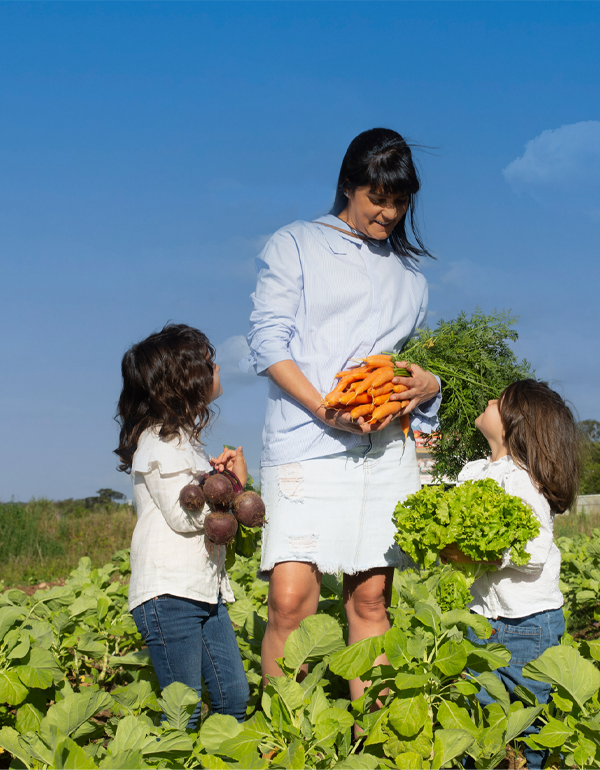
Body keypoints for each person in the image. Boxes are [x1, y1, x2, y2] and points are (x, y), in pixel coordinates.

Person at [243, 127, 442, 697]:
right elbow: (268, 342)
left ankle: (377, 737)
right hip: (305, 442)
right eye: (378, 198)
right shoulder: (296, 243)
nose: (388, 213)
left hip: (382, 453)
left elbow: (414, 364)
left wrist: (427, 383)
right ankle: (290, 730)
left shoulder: (412, 281)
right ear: (348, 186)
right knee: (288, 603)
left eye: (399, 202)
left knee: (370, 598)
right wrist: (323, 408)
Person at [114, 323, 250, 729]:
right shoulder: (161, 441)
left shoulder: (184, 441)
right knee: (183, 712)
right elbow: (185, 515)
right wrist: (234, 485)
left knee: (234, 698)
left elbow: (201, 504)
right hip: (168, 594)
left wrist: (223, 481)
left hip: (202, 589)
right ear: (185, 379)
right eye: (208, 362)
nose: (217, 366)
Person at [440, 379, 580, 770]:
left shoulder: (523, 480)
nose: (487, 401)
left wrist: (474, 553)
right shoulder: (476, 471)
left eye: (497, 401)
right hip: (484, 619)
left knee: (525, 727)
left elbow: (532, 553)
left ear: (515, 424)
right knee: (483, 721)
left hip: (527, 626)